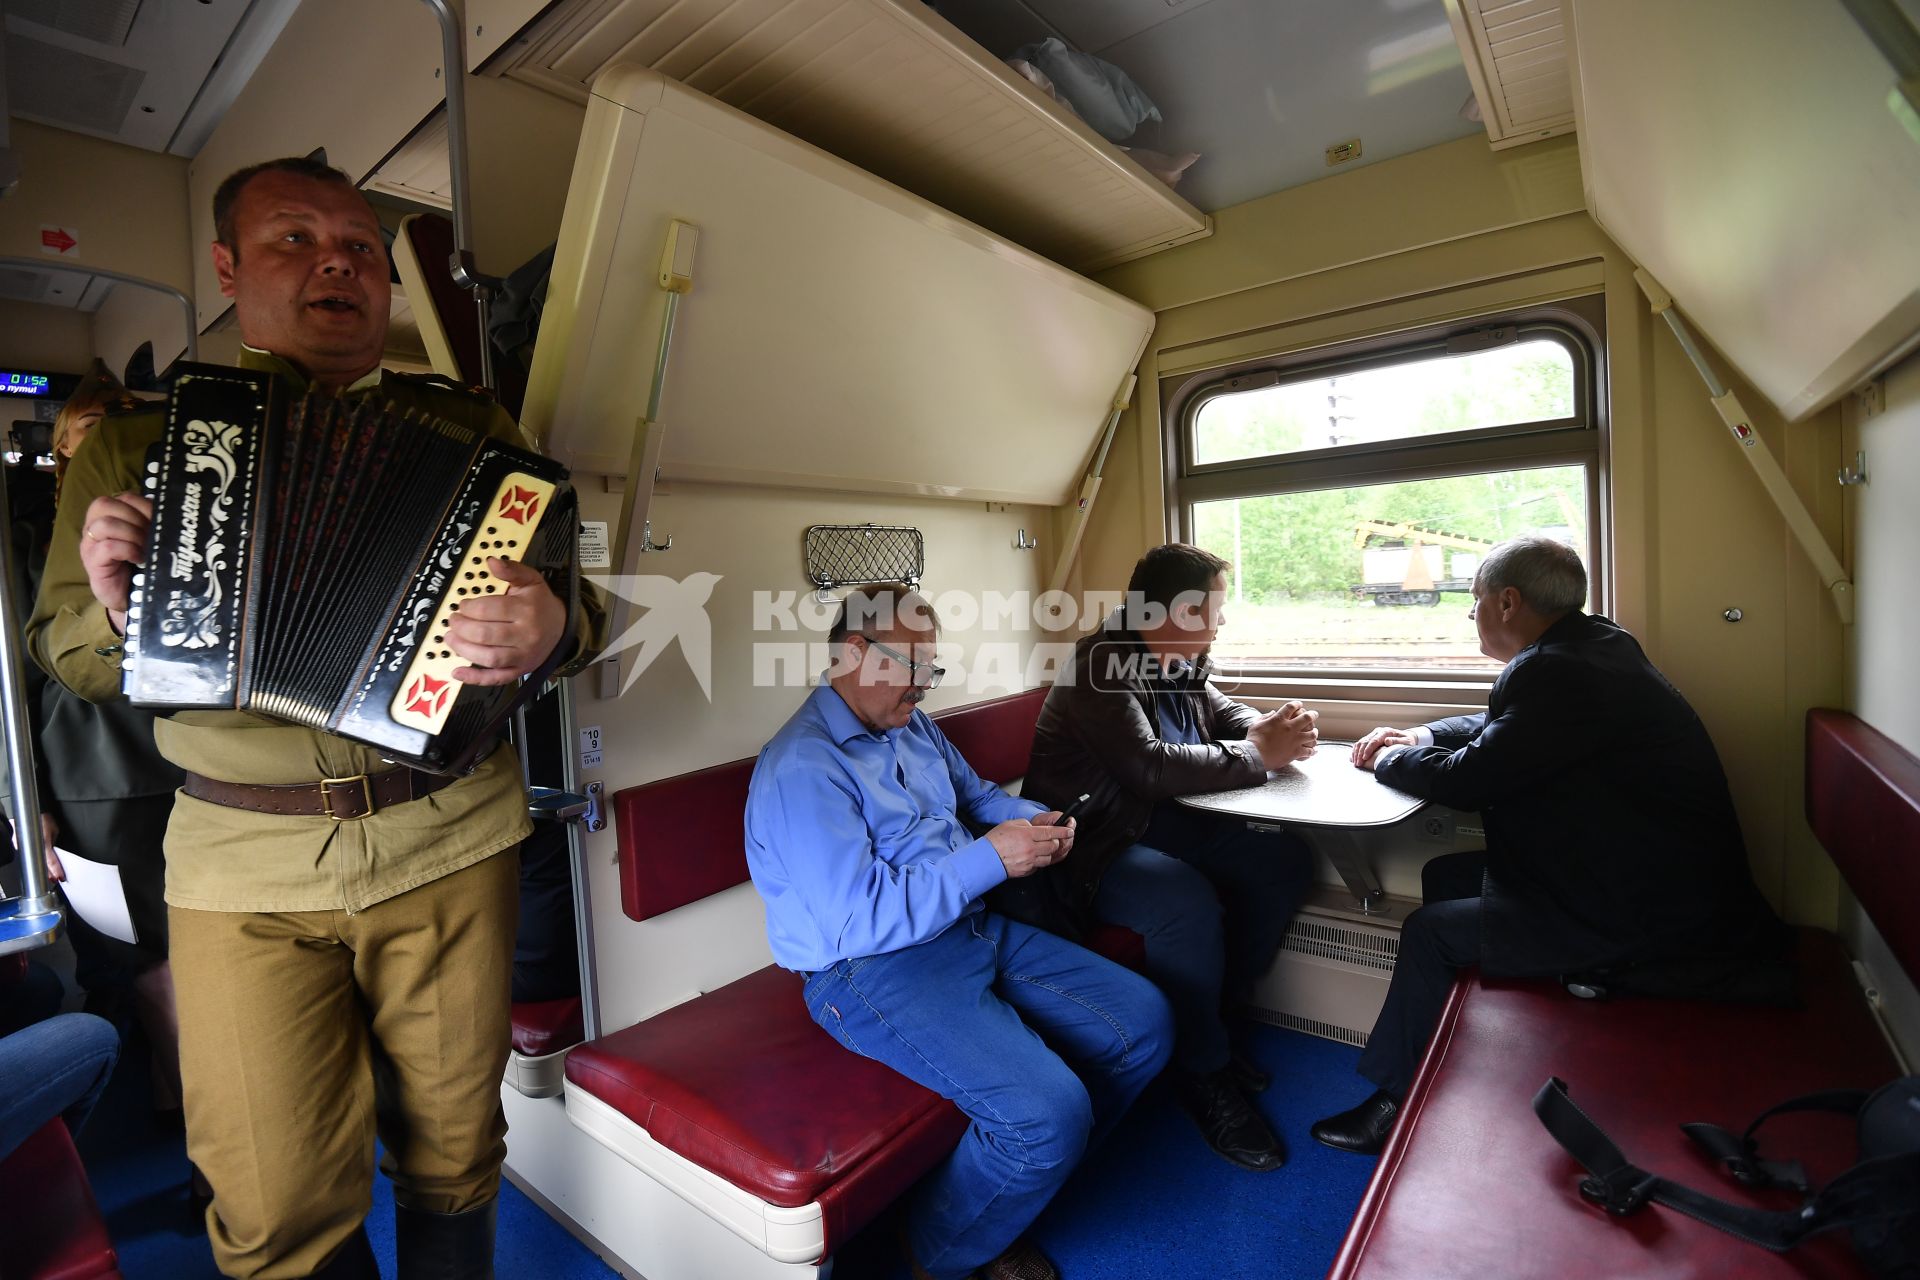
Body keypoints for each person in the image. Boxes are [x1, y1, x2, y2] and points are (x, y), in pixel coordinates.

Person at [27, 156, 603, 1280]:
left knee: (455, 1146)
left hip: (450, 832)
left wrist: (553, 626)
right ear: (230, 268)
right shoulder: (133, 450)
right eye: (296, 237)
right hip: (241, 862)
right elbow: (65, 653)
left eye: (360, 246)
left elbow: (574, 608)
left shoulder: (472, 427)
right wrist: (115, 612)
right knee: (274, 1193)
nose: (338, 259)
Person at [745, 586, 1173, 1280]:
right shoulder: (804, 767)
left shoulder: (912, 727)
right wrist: (993, 857)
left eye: (930, 666)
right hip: (869, 970)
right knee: (1049, 1117)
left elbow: (977, 798)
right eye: (911, 663)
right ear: (853, 653)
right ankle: (931, 1253)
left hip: (964, 925)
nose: (924, 682)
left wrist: (1032, 820)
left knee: (1144, 1023)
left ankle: (1003, 1198)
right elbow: (862, 919)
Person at [1311, 536, 1790, 1156]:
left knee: (1429, 932)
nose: (1472, 614)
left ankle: (1391, 1104)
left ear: (1508, 602)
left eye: (1476, 601)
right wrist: (1422, 731)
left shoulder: (1559, 670)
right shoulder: (1595, 647)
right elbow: (1504, 728)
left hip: (1639, 907)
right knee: (1451, 876)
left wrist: (1394, 760)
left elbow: (1470, 778)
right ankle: (1465, 1048)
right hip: (1631, 872)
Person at [1018, 543, 1319, 1172]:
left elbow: (1217, 711)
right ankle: (1203, 1073)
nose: (1219, 622)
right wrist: (1261, 754)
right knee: (1181, 899)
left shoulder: (1179, 658)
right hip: (1092, 845)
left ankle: (1211, 1021)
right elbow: (1148, 767)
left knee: (1282, 861)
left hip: (1160, 825)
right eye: (1211, 609)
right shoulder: (1098, 667)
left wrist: (1266, 727)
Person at [30, 365, 193, 1171]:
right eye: (93, 427)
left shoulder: (177, 515)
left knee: (205, 948)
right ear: (64, 449)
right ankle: (186, 1116)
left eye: (127, 419)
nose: (113, 438)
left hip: (195, 757)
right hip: (96, 769)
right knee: (155, 957)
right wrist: (20, 803)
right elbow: (13, 679)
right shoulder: (33, 537)